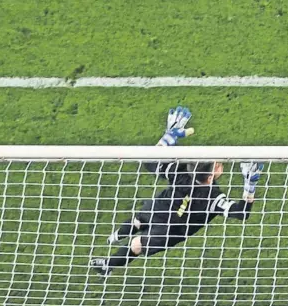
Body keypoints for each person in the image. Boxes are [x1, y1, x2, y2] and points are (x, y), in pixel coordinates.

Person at [90, 106, 264, 277]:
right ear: (211, 177)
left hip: (174, 229)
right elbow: (242, 212)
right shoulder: (211, 195)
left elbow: (150, 161)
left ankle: (107, 265)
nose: (220, 163)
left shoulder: (196, 184)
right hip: (165, 207)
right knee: (139, 220)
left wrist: (168, 137)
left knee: (137, 243)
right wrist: (250, 184)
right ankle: (116, 237)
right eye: (217, 164)